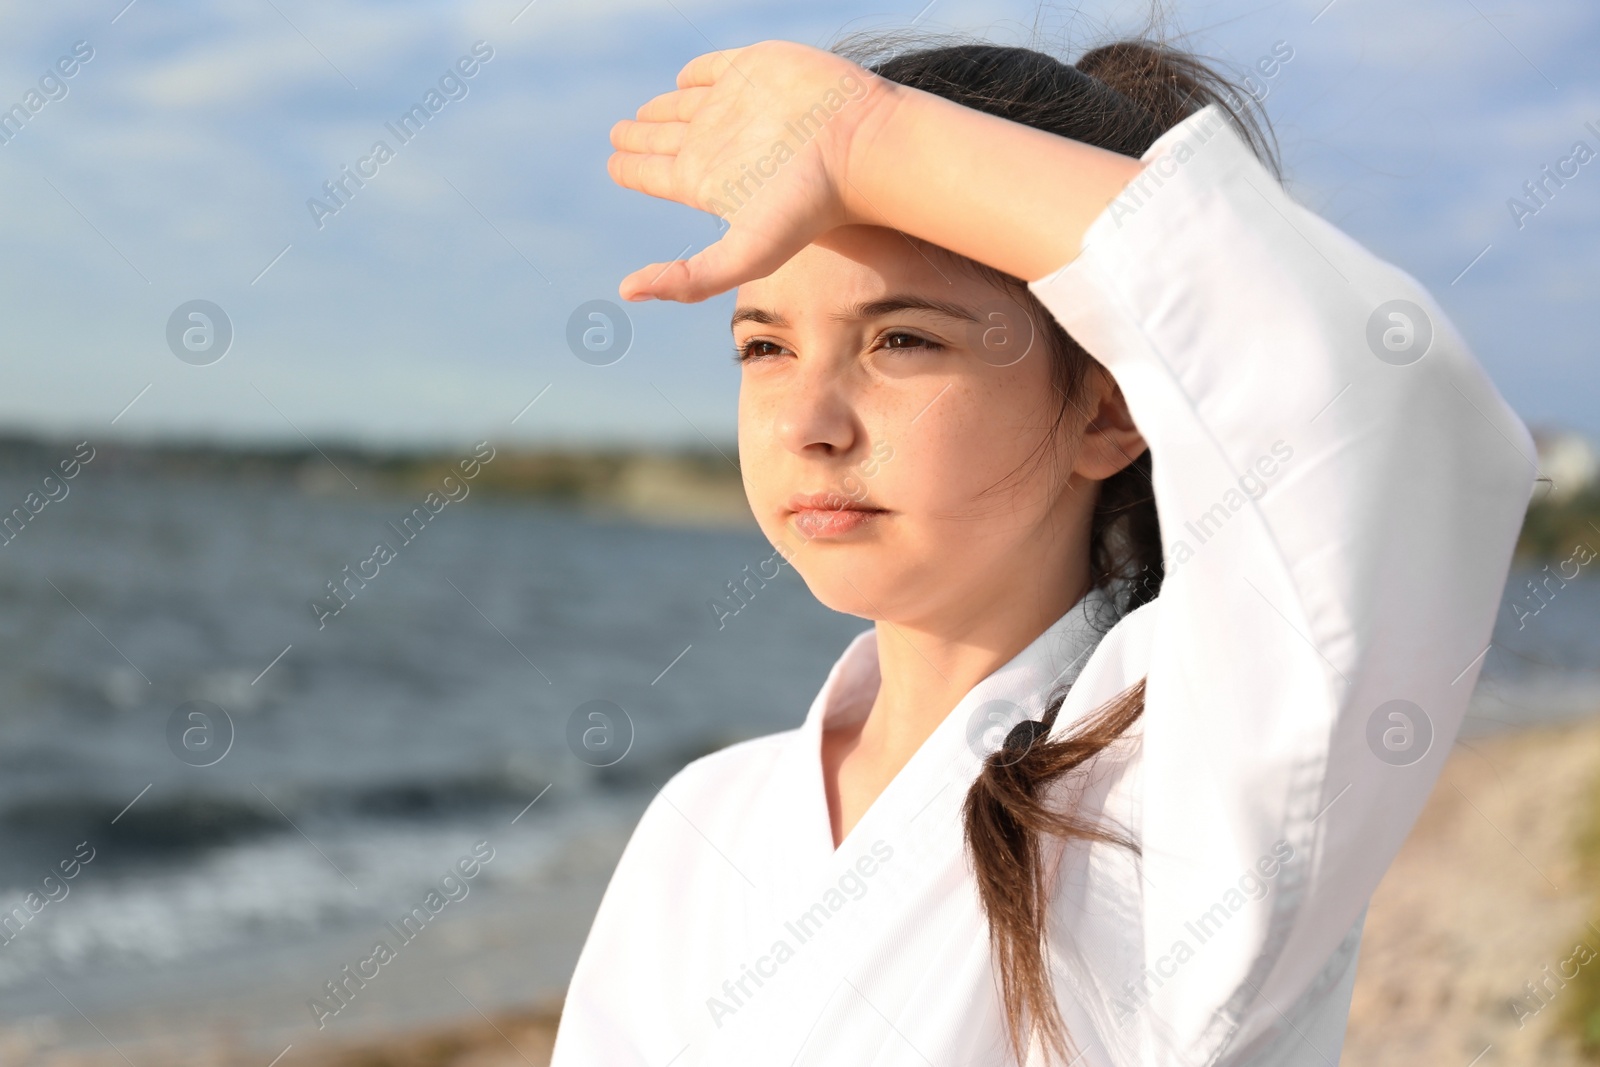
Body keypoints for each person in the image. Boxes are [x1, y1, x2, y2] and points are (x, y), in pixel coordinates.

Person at [550, 31, 1533, 1067]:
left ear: (1109, 407)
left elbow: (1374, 393)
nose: (808, 421)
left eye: (901, 340)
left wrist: (870, 139)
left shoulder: (1167, 803)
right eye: (765, 346)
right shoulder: (705, 821)